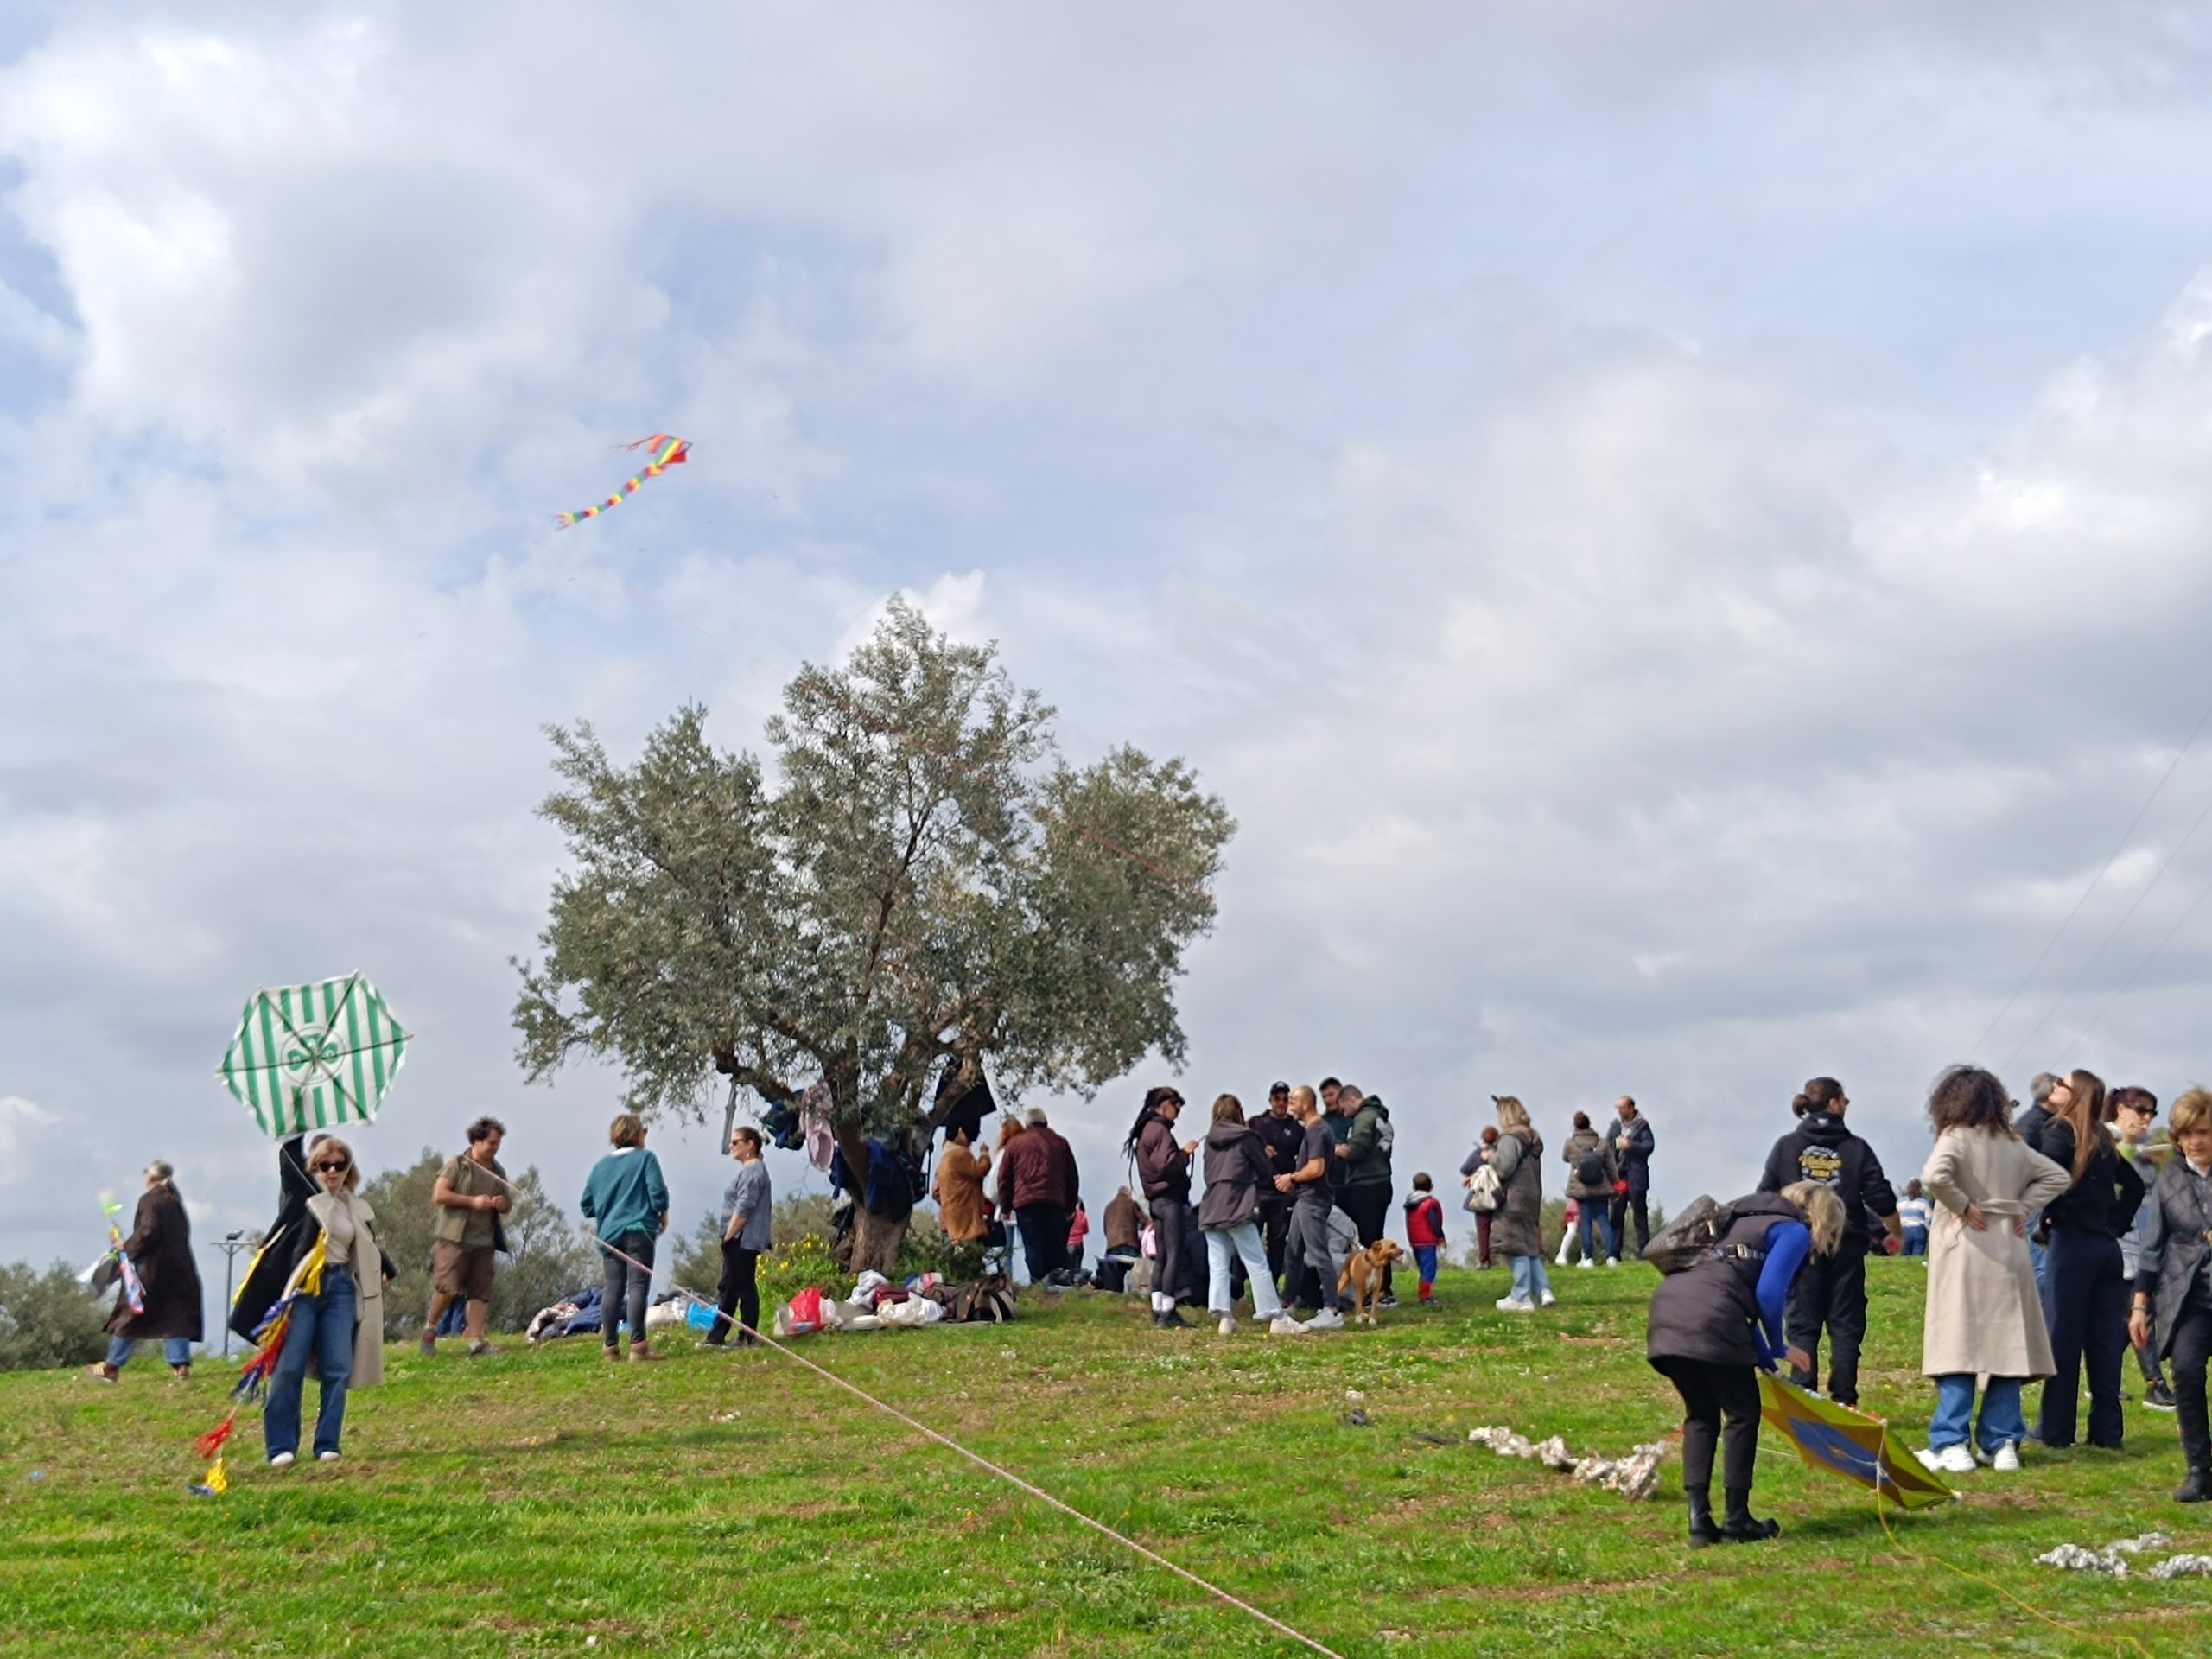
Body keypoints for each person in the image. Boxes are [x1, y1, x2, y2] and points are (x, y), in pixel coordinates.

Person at [1647, 1180, 1846, 1546]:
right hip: (1712, 1319)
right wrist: (1778, 1345)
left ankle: (1699, 1522)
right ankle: (1736, 1518)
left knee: (1702, 1414)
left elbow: (1737, 1303)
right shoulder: (1791, 1229)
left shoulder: (1734, 1221)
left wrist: (1769, 1356)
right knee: (1742, 1412)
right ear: (1820, 1218)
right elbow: (1766, 1297)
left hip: (1667, 1315)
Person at [1914, 1065, 2072, 1474]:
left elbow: (1933, 1175)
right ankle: (2002, 1443)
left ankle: (1950, 1442)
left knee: (1957, 1343)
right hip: (2008, 1247)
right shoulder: (2013, 1143)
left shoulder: (1956, 1137)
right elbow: (2057, 1176)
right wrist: (2021, 1206)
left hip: (1965, 1246)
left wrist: (1962, 1205)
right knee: (2007, 1348)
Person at [1756, 1077, 1901, 1408]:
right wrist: (1897, 1233)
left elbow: (1765, 1195)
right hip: (1845, 1244)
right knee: (1846, 1323)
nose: (1846, 1106)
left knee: (1803, 1322)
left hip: (1798, 1245)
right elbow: (1879, 1195)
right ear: (1834, 1104)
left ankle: (1804, 1395)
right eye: (1845, 1101)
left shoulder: (1786, 1147)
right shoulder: (1856, 1148)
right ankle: (1845, 1400)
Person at [2030, 1068, 2145, 1450]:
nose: (2055, 1087)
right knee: (2104, 1340)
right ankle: (2107, 1431)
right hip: (2105, 1248)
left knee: (2063, 1338)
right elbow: (2135, 1185)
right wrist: (2115, 1224)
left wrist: (2047, 1215)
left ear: (2075, 1094)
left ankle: (2056, 1430)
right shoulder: (2101, 1139)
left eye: (2062, 1083)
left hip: (2072, 1244)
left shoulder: (2060, 1132)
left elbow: (2048, 1175)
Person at [264, 1136, 389, 1466]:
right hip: (305, 1288)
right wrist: (300, 1116)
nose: (332, 1171)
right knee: (289, 1367)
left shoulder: (353, 1205)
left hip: (341, 1288)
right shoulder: (302, 1196)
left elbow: (366, 1243)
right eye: (324, 1165)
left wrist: (385, 1269)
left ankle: (327, 1444)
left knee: (338, 1368)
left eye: (339, 1164)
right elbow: (288, 1157)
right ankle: (281, 1447)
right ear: (313, 1167)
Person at [2130, 1084, 2212, 1502]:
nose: (2197, 1141)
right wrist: (2140, 1305)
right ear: (2178, 1139)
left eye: (2205, 1132)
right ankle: (2200, 1470)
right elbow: (2153, 1246)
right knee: (2187, 1372)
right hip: (2188, 1298)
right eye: (2188, 1134)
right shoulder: (2169, 1179)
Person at [1198, 1094, 1305, 1337]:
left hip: (1212, 1204)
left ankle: (1224, 1316)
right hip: (1237, 1203)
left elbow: (1207, 1174)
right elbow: (1265, 1172)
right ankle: (1276, 1316)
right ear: (1239, 1112)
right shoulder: (1246, 1137)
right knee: (1256, 1260)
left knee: (1218, 1263)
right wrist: (1264, 1156)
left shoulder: (1210, 1140)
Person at [88, 1160, 204, 1382]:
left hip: (151, 1271)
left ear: (151, 1178)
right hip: (180, 1269)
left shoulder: (149, 1200)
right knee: (175, 1316)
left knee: (131, 1313)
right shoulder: (174, 1201)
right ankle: (180, 1366)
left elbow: (149, 1231)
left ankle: (111, 1366)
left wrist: (127, 1246)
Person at [580, 1112, 672, 1363]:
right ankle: (638, 1346)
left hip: (609, 1235)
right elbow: (658, 1193)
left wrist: (608, 1207)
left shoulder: (600, 1167)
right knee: (637, 1286)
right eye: (643, 1130)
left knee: (613, 1288)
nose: (645, 1134)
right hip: (639, 1230)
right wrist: (661, 1212)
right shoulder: (645, 1159)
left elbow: (586, 1205)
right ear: (634, 1134)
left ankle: (610, 1347)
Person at [422, 1116, 509, 1357]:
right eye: (492, 1142)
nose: (496, 1147)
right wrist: (473, 1202)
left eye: (498, 1143)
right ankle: (430, 1327)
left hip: (484, 1241)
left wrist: (501, 1204)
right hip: (454, 1239)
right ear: (477, 1141)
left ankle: (476, 1340)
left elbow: (506, 1204)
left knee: (480, 1291)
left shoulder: (498, 1171)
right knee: (447, 1288)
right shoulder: (457, 1165)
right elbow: (439, 1195)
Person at [2113, 1087, 2176, 1409]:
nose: (2147, 1117)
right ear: (2121, 1110)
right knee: (2142, 1312)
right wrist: (2131, 1149)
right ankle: (2155, 1385)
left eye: (2152, 1111)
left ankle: (2105, 1378)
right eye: (2141, 1110)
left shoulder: (2150, 1148)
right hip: (2123, 1244)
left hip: (2149, 1242)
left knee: (2131, 1316)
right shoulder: (2110, 1145)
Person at [1275, 1085, 1347, 1330]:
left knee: (1317, 1253)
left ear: (1306, 1103)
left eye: (1293, 1101)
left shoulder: (1317, 1131)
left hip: (1314, 1200)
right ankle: (1287, 1302)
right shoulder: (1312, 1130)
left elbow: (1316, 1168)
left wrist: (1292, 1178)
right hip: (1304, 1199)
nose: (1289, 1105)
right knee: (1292, 1252)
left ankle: (1331, 1309)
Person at [1130, 1087, 1197, 1327]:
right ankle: (1168, 1310)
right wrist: (1185, 1154)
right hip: (1169, 1201)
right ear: (1163, 1104)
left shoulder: (1146, 1131)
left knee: (1162, 1256)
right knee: (1174, 1254)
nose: (1178, 1112)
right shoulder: (1159, 1131)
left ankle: (1158, 1308)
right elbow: (1166, 1166)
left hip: (1155, 1201)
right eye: (1176, 1106)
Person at [999, 1106, 1080, 1285]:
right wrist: (1070, 1206)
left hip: (1025, 1203)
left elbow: (1004, 1177)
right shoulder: (1060, 1143)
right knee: (1056, 1246)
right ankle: (1059, 1284)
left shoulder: (1014, 1144)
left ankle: (1038, 1284)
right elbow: (1072, 1176)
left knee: (1033, 1246)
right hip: (1054, 1202)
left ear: (1027, 1124)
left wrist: (1005, 1208)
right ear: (1046, 1123)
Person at [707, 1125, 772, 1348]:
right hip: (739, 1238)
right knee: (730, 1286)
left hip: (742, 1239)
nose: (731, 1146)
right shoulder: (749, 1170)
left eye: (736, 1142)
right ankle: (717, 1335)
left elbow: (745, 1207)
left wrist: (729, 1236)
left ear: (750, 1144)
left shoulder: (753, 1171)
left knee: (741, 1286)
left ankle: (746, 1336)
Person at [1335, 1084, 1397, 1306]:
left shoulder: (1364, 1117)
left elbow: (1358, 1148)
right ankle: (1382, 1289)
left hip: (1365, 1184)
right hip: (1383, 1181)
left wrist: (1342, 1150)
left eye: (1343, 1107)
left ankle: (1380, 1291)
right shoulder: (1382, 1118)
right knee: (1378, 1237)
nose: (1343, 1112)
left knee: (1370, 1242)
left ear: (1351, 1099)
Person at [1489, 1096, 1552, 1312]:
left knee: (1515, 1245)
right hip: (1531, 1194)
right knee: (1529, 1245)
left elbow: (1504, 1168)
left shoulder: (1510, 1137)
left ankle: (1521, 1295)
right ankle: (1543, 1290)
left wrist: (1490, 1156)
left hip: (1513, 1197)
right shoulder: (1532, 1136)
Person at [1249, 1082, 1305, 1291]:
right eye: (1276, 1099)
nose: (1280, 1103)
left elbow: (1304, 1158)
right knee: (1250, 1238)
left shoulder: (1297, 1129)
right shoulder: (1256, 1124)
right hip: (1259, 1191)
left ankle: (1270, 1287)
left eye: (1284, 1099)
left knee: (1278, 1243)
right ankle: (1242, 1285)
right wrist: (1259, 1150)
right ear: (1270, 1100)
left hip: (1283, 1194)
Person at [2016, 1072, 2060, 1294]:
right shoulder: (2035, 1126)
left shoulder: (2035, 1122)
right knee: (2041, 1268)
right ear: (2052, 1092)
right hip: (2034, 1204)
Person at [931, 1122, 993, 1269]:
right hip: (964, 1218)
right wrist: (984, 1153)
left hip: (948, 1218)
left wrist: (949, 1199)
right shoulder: (960, 1154)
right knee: (967, 1259)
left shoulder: (944, 1159)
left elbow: (936, 1191)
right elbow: (981, 1169)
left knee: (950, 1258)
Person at [1560, 1110, 1618, 1270]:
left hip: (1581, 1188)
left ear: (1575, 1126)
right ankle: (1611, 1257)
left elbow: (1565, 1158)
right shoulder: (1601, 1143)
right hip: (1601, 1187)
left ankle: (1588, 1258)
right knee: (1604, 1221)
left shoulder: (1570, 1143)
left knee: (1585, 1223)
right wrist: (1615, 1184)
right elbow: (1610, 1166)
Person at [1609, 1096, 1656, 1260]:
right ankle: (1614, 1253)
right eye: (1618, 1109)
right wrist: (1616, 1146)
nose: (1620, 1112)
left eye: (1622, 1108)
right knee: (1616, 1214)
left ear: (1631, 1108)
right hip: (1619, 1176)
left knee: (1640, 1215)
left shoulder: (1642, 1125)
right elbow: (1607, 1146)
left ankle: (1645, 1251)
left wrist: (1630, 1146)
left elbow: (1648, 1147)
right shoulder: (1615, 1126)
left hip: (1637, 1176)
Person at [1460, 1125, 1500, 1269]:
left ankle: (1484, 1260)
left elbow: (1464, 1169)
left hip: (1480, 1195)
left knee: (1483, 1230)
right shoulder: (1500, 1153)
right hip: (1498, 1194)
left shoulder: (1478, 1153)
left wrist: (1474, 1174)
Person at [1402, 1173, 1446, 1304]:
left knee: (1422, 1268)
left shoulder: (1410, 1203)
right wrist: (1440, 1236)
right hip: (1428, 1240)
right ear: (1431, 1186)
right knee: (1429, 1269)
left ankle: (1424, 1292)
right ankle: (1425, 1296)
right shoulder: (1429, 1203)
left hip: (1415, 1241)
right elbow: (1434, 1222)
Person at [1896, 1179, 1933, 1257]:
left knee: (1904, 1256)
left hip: (1907, 1230)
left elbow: (1896, 1217)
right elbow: (1928, 1219)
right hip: (1918, 1230)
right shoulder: (1924, 1202)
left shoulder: (1901, 1201)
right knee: (1916, 1256)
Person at [1066, 1201, 1090, 1276]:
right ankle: (1076, 1284)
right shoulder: (1083, 1215)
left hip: (1069, 1244)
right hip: (1080, 1244)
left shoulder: (1068, 1214)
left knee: (1068, 1269)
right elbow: (1086, 1230)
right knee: (1077, 1268)